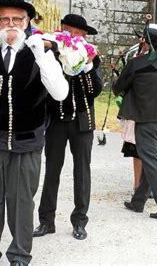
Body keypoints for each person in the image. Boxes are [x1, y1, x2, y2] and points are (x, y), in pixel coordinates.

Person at [0, 0, 68, 265]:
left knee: (21, 202)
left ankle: (19, 253)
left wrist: (43, 54)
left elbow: (60, 93)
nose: (11, 24)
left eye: (17, 19)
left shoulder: (42, 52)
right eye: (5, 18)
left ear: (27, 22)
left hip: (26, 140)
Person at [34, 14, 103, 241]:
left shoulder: (91, 56)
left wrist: (87, 67)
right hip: (57, 120)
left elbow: (95, 91)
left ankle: (80, 221)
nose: (75, 36)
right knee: (52, 169)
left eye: (79, 33)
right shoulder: (51, 54)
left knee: (82, 171)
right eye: (71, 31)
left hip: (83, 122)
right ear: (62, 30)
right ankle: (46, 221)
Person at [114, 27, 157, 220]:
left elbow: (118, 88)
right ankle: (138, 201)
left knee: (150, 163)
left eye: (142, 41)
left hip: (146, 120)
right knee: (153, 161)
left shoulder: (136, 63)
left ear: (146, 44)